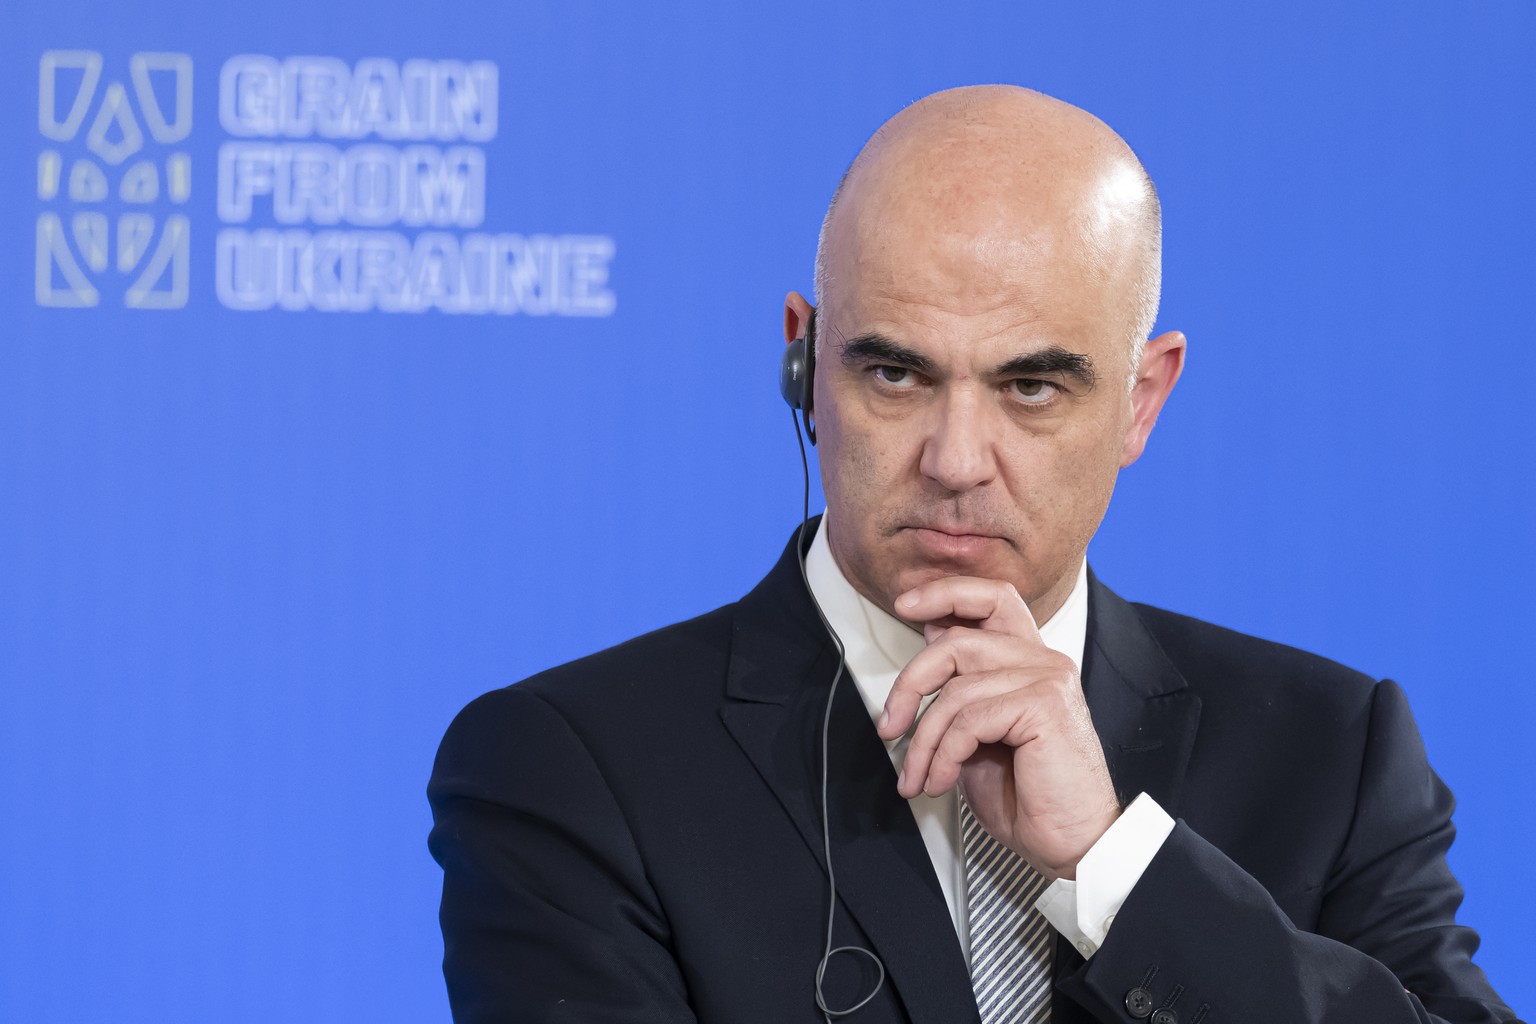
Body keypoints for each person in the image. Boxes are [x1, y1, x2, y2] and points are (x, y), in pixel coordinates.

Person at [427, 85, 1521, 1024]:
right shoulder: (572, 770)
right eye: (896, 375)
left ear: (1142, 400)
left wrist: (1114, 866)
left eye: (1031, 386)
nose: (956, 460)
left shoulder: (1330, 754)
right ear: (804, 365)